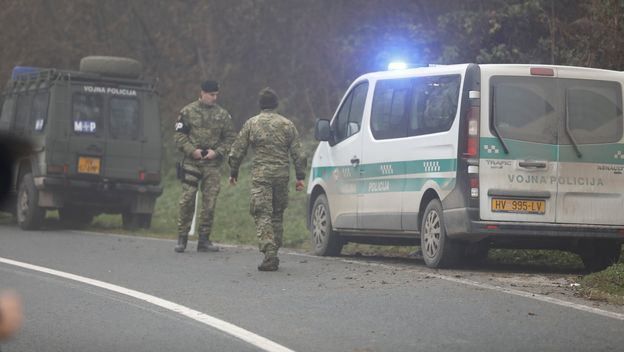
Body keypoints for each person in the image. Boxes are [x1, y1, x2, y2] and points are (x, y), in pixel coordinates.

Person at [228, 87, 307, 271]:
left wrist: (233, 171)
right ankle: (275, 251)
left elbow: (237, 149)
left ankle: (269, 253)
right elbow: (299, 153)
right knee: (277, 214)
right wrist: (300, 177)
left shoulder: (252, 123)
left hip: (261, 177)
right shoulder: (287, 124)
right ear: (276, 104)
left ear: (260, 105)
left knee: (262, 213)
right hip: (281, 176)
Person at [174, 80, 236, 253]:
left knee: (210, 202)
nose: (214, 98)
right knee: (187, 199)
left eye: (216, 95)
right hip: (192, 162)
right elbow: (179, 136)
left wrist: (217, 152)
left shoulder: (223, 115)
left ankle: (204, 239)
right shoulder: (187, 111)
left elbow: (230, 138)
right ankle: (182, 237)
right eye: (211, 95)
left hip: (212, 164)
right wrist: (191, 150)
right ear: (202, 93)